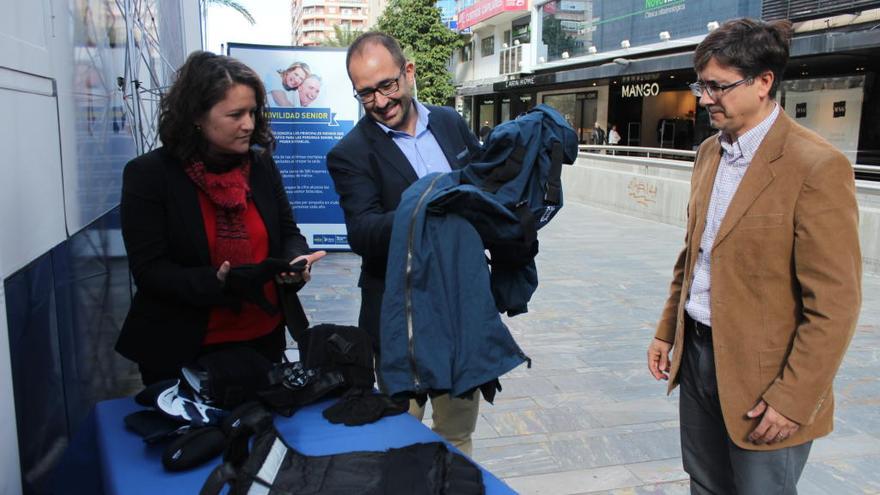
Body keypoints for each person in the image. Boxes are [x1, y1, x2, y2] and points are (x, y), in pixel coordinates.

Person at [646, 18, 861, 494]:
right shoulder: (708, 153)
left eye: (718, 87)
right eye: (701, 85)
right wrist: (668, 331)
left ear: (764, 82)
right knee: (703, 483)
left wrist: (794, 398)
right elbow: (693, 255)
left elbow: (835, 303)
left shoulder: (816, 166)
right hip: (698, 353)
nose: (705, 99)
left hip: (768, 378)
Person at [116, 51, 325, 385]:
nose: (249, 124)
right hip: (182, 351)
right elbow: (150, 270)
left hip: (262, 342)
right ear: (196, 115)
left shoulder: (260, 165)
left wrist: (294, 261)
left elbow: (288, 232)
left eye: (253, 112)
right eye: (235, 114)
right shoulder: (149, 175)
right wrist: (218, 282)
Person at [326, 32, 482, 455]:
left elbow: (482, 190)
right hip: (401, 322)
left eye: (387, 85)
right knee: (399, 440)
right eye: (366, 94)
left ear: (408, 72)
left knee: (457, 433)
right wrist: (430, 206)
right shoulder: (351, 153)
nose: (379, 101)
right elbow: (363, 233)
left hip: (458, 312)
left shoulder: (450, 123)